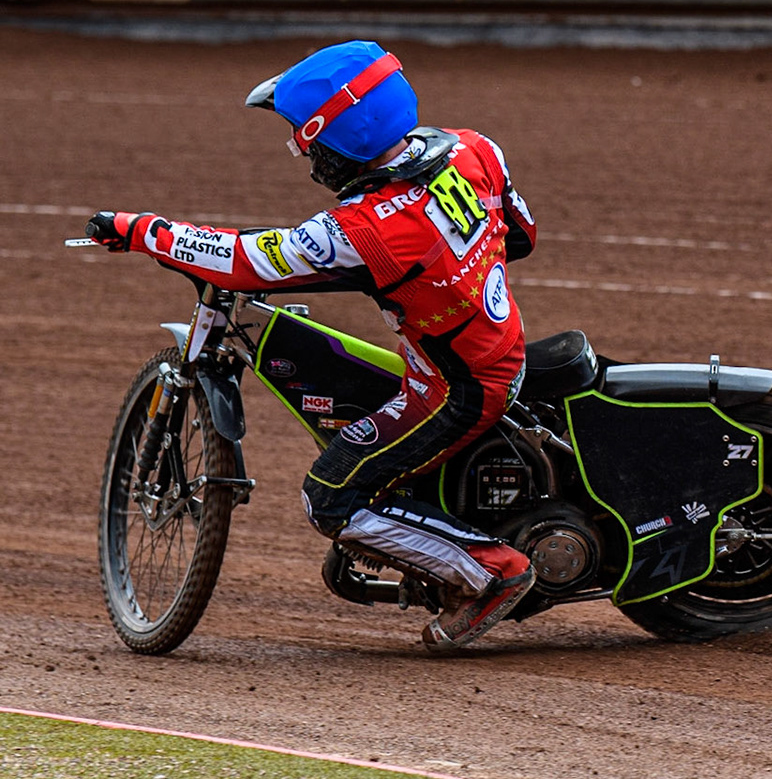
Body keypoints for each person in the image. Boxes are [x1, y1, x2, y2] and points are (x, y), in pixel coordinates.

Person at [86, 40, 541, 649]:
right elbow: (521, 236)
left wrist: (139, 230)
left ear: (338, 137)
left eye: (305, 134)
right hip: (488, 344)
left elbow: (245, 262)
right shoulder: (472, 147)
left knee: (330, 498)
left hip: (458, 386)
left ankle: (491, 573)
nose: (302, 150)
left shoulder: (365, 228)